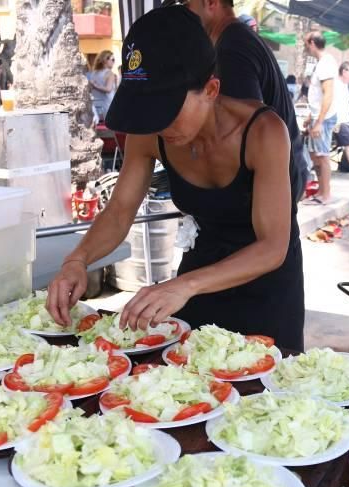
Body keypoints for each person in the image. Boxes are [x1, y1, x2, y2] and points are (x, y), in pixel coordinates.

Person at [46, 7, 305, 351]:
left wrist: (185, 286)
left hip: (266, 286)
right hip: (200, 270)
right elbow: (120, 211)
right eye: (147, 108)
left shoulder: (263, 132)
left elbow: (272, 246)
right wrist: (76, 260)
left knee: (267, 391)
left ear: (211, 90)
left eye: (166, 109)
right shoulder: (150, 132)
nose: (155, 122)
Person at [178, 0, 310, 205]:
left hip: (276, 184)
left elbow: (241, 134)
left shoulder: (231, 48)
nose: (183, 15)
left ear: (210, 2)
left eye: (186, 5)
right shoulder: (237, 38)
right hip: (287, 173)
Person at [303, 30, 337, 205]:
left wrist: (319, 122)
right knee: (315, 155)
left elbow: (328, 94)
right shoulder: (322, 62)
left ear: (311, 43)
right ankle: (321, 191)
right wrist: (312, 116)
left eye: (305, 43)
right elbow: (318, 95)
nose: (305, 47)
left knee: (322, 156)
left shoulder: (325, 63)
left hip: (323, 119)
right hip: (317, 117)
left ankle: (325, 195)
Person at [89, 50, 117, 122]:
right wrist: (96, 86)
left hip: (95, 107)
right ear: (105, 60)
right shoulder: (110, 73)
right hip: (107, 106)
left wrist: (94, 86)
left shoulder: (93, 73)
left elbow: (90, 89)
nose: (114, 62)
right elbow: (108, 89)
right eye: (112, 59)